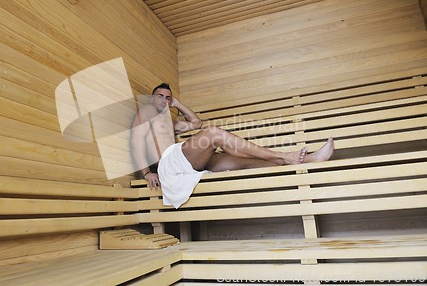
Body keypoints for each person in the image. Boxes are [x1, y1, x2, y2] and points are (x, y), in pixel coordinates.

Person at [130, 83, 334, 208]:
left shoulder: (169, 123)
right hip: (168, 164)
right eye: (160, 96)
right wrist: (147, 173)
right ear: (151, 98)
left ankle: (308, 160)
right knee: (214, 134)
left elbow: (196, 123)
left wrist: (177, 104)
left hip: (183, 162)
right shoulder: (146, 112)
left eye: (168, 97)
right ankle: (283, 156)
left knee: (243, 162)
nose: (164, 100)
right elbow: (136, 141)